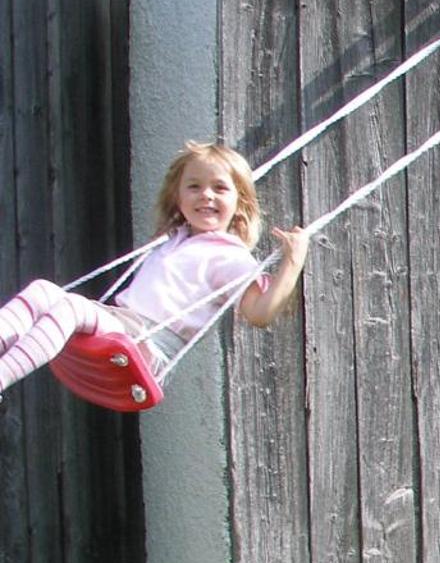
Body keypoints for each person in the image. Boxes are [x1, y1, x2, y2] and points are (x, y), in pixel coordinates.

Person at [0, 140, 308, 399]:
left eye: (220, 188)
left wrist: (292, 263)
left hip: (146, 346)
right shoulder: (175, 239)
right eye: (194, 186)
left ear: (239, 202)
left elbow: (259, 314)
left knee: (70, 308)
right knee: (43, 291)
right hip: (122, 324)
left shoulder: (230, 255)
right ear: (178, 197)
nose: (206, 195)